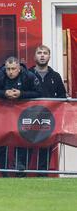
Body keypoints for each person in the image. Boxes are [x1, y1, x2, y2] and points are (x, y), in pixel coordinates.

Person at [0, 56, 42, 177]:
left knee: (23, 140)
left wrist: (21, 94)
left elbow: (39, 92)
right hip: (2, 114)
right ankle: (4, 173)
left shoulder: (28, 76)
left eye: (13, 69)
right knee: (2, 142)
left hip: (23, 113)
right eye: (8, 69)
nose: (10, 72)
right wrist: (3, 93)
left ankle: (21, 170)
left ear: (19, 68)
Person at [29, 45, 67, 176]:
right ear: (35, 57)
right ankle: (22, 175)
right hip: (29, 116)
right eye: (39, 53)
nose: (42, 55)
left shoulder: (55, 76)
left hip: (48, 118)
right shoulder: (28, 74)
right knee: (26, 144)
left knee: (46, 146)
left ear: (49, 56)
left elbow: (63, 96)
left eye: (45, 53)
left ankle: (42, 174)